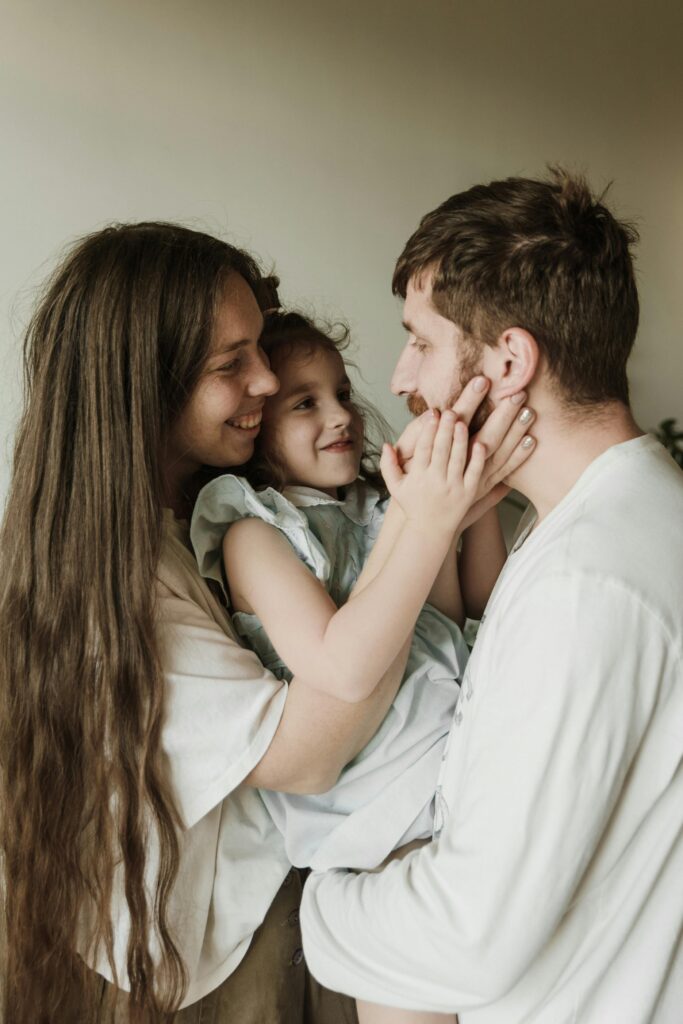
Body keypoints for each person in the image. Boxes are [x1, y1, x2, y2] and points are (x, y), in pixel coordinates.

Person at [0, 222, 526, 1024]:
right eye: (231, 363)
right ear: (145, 380)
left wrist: (439, 524)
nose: (264, 378)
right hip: (201, 959)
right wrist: (422, 529)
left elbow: (436, 621)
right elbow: (308, 754)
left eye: (261, 352)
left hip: (282, 903)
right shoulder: (131, 572)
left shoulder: (251, 515)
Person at [300, 169, 683, 1023]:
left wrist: (319, 897)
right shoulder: (625, 516)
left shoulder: (586, 584)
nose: (400, 377)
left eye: (421, 343)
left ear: (508, 361)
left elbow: (467, 937)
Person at [189, 313, 534, 1024]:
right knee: (413, 993)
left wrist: (465, 509)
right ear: (257, 427)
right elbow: (336, 662)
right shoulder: (254, 530)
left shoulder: (382, 503)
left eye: (341, 392)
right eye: (304, 402)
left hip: (458, 768)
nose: (342, 414)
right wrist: (424, 518)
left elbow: (461, 609)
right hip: (375, 813)